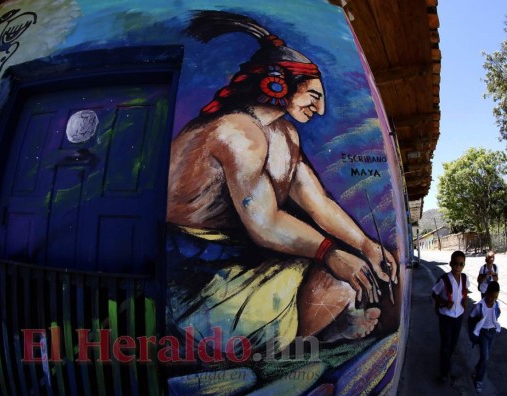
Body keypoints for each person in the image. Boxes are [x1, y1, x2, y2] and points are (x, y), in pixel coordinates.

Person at [166, 10, 398, 355]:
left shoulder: (283, 133)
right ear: (277, 84)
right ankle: (284, 346)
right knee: (338, 276)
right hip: (196, 274)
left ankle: (320, 330)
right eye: (313, 97)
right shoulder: (235, 132)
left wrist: (365, 245)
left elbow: (318, 203)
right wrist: (332, 253)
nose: (319, 110)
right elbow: (266, 224)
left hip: (240, 258)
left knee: (353, 274)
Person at [431, 250, 469, 384]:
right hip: (446, 317)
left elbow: (464, 292)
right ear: (451, 264)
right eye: (456, 264)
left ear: (464, 265)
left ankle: (447, 363)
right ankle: (443, 373)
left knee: (453, 343)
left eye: (461, 264)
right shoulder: (444, 279)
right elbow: (434, 293)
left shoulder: (465, 278)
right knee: (446, 344)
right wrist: (443, 302)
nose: (458, 267)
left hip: (458, 316)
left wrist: (464, 301)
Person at [469, 281, 501, 394]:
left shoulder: (496, 304)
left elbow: (497, 315)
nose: (492, 300)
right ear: (486, 293)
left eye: (495, 297)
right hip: (483, 334)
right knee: (485, 358)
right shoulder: (480, 306)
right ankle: (479, 381)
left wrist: (497, 313)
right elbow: (470, 318)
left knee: (484, 358)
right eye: (491, 296)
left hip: (492, 333)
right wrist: (473, 333)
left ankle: (477, 370)